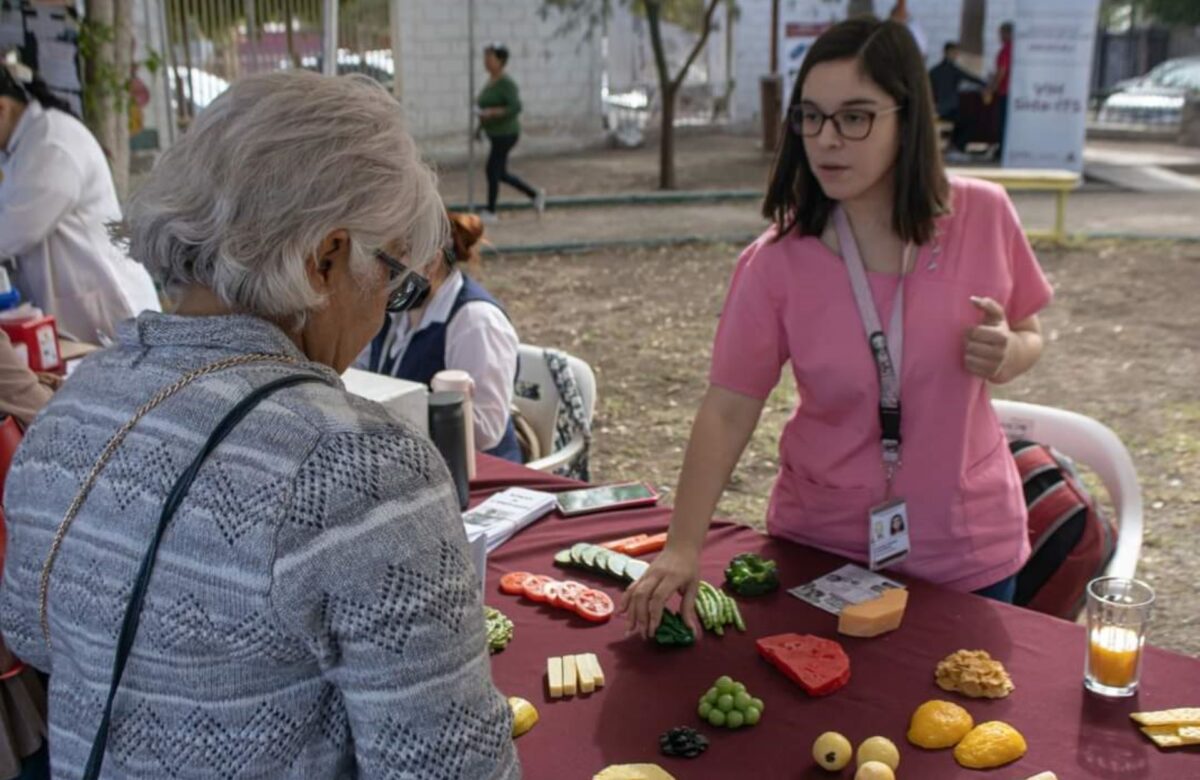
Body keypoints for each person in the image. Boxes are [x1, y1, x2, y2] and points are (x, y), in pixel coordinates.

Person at [0, 70, 520, 779]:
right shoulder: (363, 467)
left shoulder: (73, 408)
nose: (383, 315)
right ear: (326, 258)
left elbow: (33, 631)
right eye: (396, 284)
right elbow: (452, 768)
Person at [621, 17, 1052, 639]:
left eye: (855, 117)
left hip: (967, 550)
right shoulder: (776, 262)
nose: (827, 139)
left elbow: (1030, 330)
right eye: (811, 116)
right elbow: (728, 408)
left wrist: (1012, 352)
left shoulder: (983, 214)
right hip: (822, 553)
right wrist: (682, 546)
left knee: (958, 726)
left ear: (907, 117)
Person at [0, 62, 160, 344]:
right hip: (81, 313)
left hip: (112, 310)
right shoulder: (23, 143)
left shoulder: (51, 143)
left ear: (2, 108)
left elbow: (11, 233)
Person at [361, 211, 522, 462]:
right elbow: (358, 374)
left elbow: (486, 432)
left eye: (394, 266)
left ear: (431, 263)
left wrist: (414, 409)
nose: (384, 276)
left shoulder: (475, 321)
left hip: (474, 472)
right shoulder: (397, 312)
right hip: (407, 459)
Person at [477, 43, 545, 223]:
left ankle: (491, 211)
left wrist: (493, 113)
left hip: (506, 133)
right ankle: (534, 194)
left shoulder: (506, 83)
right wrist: (480, 127)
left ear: (500, 61)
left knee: (492, 169)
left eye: (490, 58)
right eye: (485, 58)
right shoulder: (490, 82)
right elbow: (484, 107)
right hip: (494, 133)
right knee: (500, 173)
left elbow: (515, 107)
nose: (486, 62)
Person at [929, 41, 987, 155]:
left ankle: (952, 147)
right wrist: (986, 84)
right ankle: (957, 148)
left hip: (938, 109)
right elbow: (970, 77)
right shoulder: (951, 69)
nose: (956, 55)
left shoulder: (934, 71)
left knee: (961, 121)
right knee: (969, 122)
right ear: (947, 52)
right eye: (954, 52)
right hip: (948, 109)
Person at [986, 22, 1014, 160]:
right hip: (1013, 91)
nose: (999, 36)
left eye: (1001, 33)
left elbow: (1001, 72)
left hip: (1005, 91)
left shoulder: (1006, 50)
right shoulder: (1016, 49)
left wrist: (991, 88)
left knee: (1003, 123)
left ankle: (1002, 150)